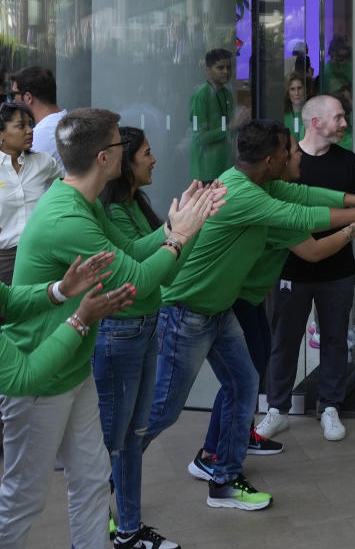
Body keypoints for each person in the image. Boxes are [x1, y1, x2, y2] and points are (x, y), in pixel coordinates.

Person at [145, 118, 355, 511]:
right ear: (270, 159)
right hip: (188, 311)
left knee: (245, 384)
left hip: (218, 310)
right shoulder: (244, 195)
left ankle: (223, 476)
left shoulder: (260, 183)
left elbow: (305, 194)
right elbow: (304, 221)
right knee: (162, 410)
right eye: (288, 152)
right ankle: (107, 471)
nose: (294, 156)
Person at [0, 107, 219, 549]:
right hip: (39, 376)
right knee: (23, 500)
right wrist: (179, 237)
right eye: (122, 144)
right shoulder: (68, 217)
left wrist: (178, 229)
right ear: (104, 157)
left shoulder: (80, 201)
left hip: (73, 368)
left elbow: (133, 253)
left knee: (94, 481)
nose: (134, 151)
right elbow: (136, 281)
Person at [95, 126, 204, 549]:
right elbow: (135, 270)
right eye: (146, 152)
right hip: (119, 331)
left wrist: (187, 230)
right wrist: (177, 231)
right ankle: (99, 520)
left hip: (143, 327)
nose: (154, 158)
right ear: (123, 161)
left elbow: (166, 268)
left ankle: (129, 530)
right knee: (114, 440)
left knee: (133, 437)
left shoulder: (135, 204)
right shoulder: (110, 212)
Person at [257, 96, 355, 442]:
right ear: (315, 122)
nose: (345, 123)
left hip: (338, 271)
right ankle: (276, 409)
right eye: (338, 117)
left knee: (334, 340)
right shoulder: (287, 164)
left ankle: (330, 406)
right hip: (292, 270)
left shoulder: (348, 162)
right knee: (284, 341)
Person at [0, 254, 133, 395]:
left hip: (72, 372)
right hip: (46, 386)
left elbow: (6, 300)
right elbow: (20, 378)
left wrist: (59, 291)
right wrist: (79, 321)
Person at [0, 102, 61, 284]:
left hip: (41, 254)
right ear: (1, 133)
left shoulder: (43, 162)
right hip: (4, 259)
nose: (30, 130)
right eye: (21, 126)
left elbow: (68, 190)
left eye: (31, 124)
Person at [8, 65, 67, 171]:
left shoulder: (39, 136)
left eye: (13, 95)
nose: (12, 101)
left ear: (28, 97)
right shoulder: (66, 121)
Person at [190, 48, 235, 182]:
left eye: (228, 67)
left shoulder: (226, 93)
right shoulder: (201, 95)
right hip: (206, 171)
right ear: (208, 70)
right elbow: (200, 137)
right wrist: (232, 126)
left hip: (225, 167)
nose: (226, 71)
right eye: (220, 67)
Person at [282, 71, 308, 141]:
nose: (296, 93)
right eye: (292, 89)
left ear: (305, 90)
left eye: (299, 88)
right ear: (288, 93)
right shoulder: (282, 116)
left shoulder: (312, 114)